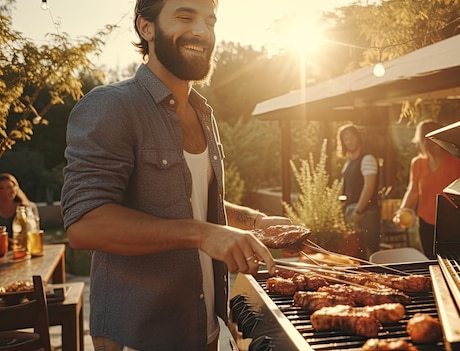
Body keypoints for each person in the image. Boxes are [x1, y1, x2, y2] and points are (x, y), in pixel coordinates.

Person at [60, 1, 291, 350]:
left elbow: (190, 198)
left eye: (209, 20)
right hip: (140, 335)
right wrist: (201, 234)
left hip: (202, 328)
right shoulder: (111, 106)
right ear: (146, 27)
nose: (202, 30)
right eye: (185, 17)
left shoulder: (202, 112)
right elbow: (85, 224)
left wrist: (256, 221)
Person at [395, 120, 460, 259]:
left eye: (431, 138)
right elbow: (413, 189)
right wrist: (401, 210)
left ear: (441, 139)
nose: (427, 142)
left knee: (451, 264)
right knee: (430, 261)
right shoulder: (417, 163)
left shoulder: (456, 162)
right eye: (424, 138)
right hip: (425, 223)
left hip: (451, 223)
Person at [336, 124, 381, 259]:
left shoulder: (368, 159)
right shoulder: (348, 162)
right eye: (346, 139)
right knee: (355, 255)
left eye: (351, 137)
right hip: (351, 212)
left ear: (358, 138)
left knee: (370, 254)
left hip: (366, 214)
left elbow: (368, 187)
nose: (349, 141)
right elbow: (342, 186)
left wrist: (358, 211)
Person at [0, 173, 36, 242]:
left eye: (10, 187)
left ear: (16, 188)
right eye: (1, 188)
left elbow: (34, 232)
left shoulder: (28, 208)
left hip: (22, 248)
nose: (6, 191)